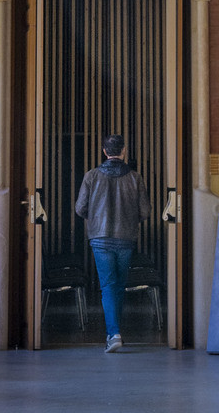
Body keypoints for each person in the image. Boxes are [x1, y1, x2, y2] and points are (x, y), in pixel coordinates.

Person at [74, 131, 147, 351]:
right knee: (119, 286)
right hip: (126, 238)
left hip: (100, 238)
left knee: (108, 286)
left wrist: (96, 216)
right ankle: (115, 331)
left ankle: (113, 334)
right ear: (123, 151)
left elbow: (80, 208)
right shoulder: (135, 177)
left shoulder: (91, 176)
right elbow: (145, 211)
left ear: (105, 151)